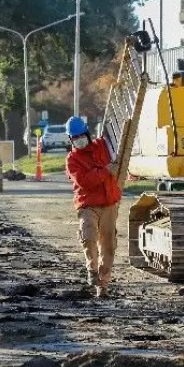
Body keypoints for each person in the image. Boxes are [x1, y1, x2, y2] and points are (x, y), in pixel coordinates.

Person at [64, 115, 121, 298]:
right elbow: (85, 181)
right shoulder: (72, 160)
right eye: (75, 138)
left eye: (81, 136)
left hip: (109, 202)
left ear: (87, 134)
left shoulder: (102, 146)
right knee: (88, 236)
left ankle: (102, 285)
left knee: (108, 246)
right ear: (71, 139)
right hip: (88, 204)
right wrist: (105, 171)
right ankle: (92, 269)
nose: (79, 140)